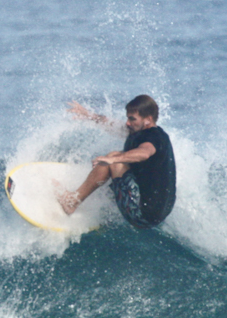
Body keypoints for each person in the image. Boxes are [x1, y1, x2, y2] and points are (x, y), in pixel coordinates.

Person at [59, 95, 176, 229]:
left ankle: (71, 203)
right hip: (156, 213)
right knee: (118, 155)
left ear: (148, 120)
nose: (127, 122)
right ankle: (103, 213)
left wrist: (112, 159)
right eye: (128, 118)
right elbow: (112, 125)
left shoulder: (154, 138)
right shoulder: (142, 131)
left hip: (142, 215)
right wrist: (88, 115)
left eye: (132, 119)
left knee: (113, 160)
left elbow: (144, 153)